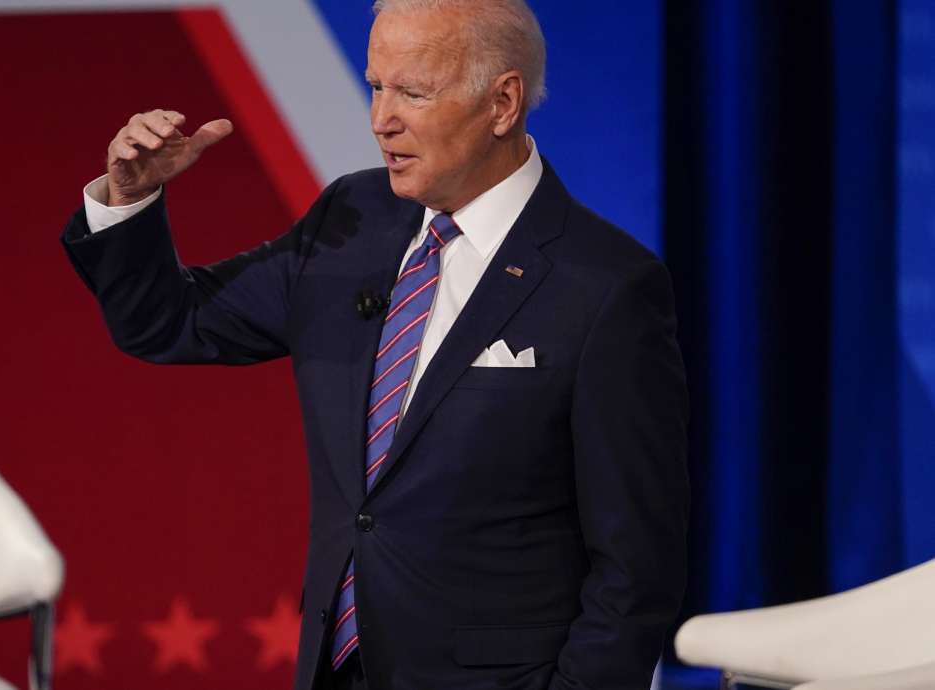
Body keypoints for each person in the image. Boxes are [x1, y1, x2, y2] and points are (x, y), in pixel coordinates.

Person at [59, 1, 689, 688]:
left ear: (502, 102)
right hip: (340, 668)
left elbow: (635, 564)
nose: (380, 119)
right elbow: (172, 322)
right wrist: (129, 199)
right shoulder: (353, 218)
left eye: (412, 92)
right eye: (375, 85)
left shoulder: (602, 285)